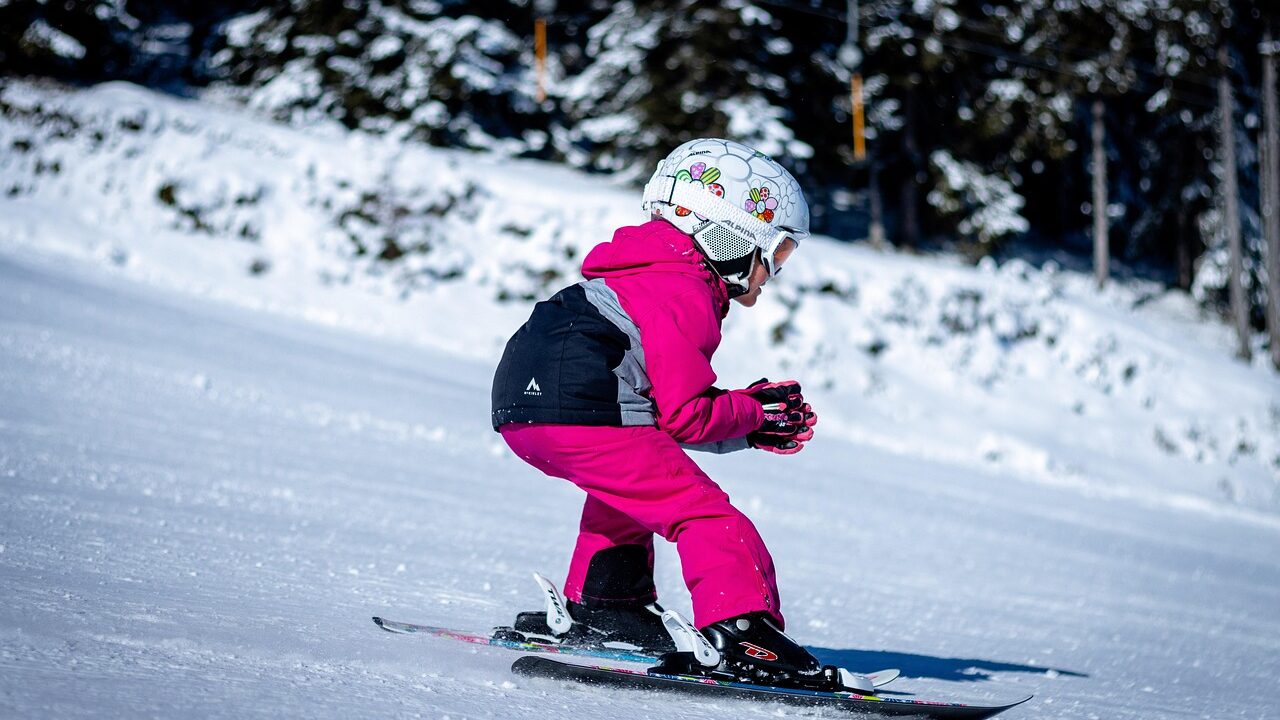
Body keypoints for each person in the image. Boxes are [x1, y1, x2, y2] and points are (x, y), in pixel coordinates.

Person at [491, 138, 823, 686]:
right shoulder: (683, 288)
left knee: (629, 489)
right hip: (583, 405)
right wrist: (754, 415)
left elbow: (662, 415)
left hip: (524, 410)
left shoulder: (639, 274)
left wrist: (745, 420)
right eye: (778, 253)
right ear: (731, 237)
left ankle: (609, 605)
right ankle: (743, 635)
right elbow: (686, 416)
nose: (771, 274)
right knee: (706, 516)